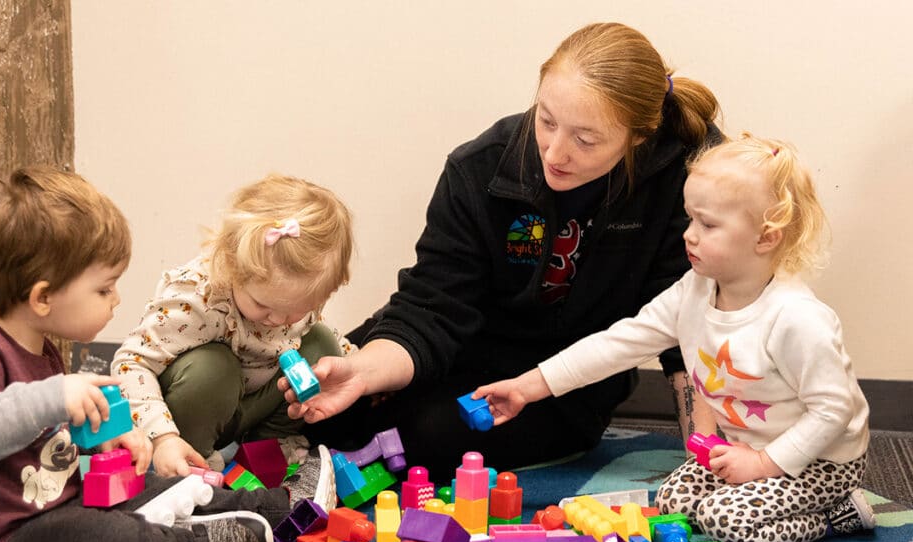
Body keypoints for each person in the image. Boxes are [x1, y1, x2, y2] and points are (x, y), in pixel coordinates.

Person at [284, 22, 722, 479]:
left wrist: (702, 462)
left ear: (637, 137)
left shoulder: (691, 176)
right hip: (470, 341)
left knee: (426, 436)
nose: (554, 152)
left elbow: (688, 330)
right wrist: (364, 371)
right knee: (328, 405)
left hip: (568, 374)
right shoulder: (480, 167)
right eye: (546, 121)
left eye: (585, 140)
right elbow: (432, 307)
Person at [0, 167, 323, 542]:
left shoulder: (42, 350)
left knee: (165, 487)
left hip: (61, 513)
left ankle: (279, 505)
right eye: (104, 288)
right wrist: (52, 398)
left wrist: (109, 437)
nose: (116, 300)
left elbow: (45, 438)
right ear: (43, 297)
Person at [474, 134, 874, 542]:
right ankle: (756, 490)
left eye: (709, 224)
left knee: (726, 521)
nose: (689, 235)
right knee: (675, 502)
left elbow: (832, 410)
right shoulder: (694, 290)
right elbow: (620, 343)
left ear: (766, 237)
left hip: (821, 460)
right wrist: (527, 387)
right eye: (689, 219)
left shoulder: (796, 318)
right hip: (747, 445)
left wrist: (763, 464)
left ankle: (840, 514)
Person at [111, 172, 353, 487]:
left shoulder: (290, 307)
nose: (278, 321)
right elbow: (131, 363)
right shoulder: (199, 299)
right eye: (262, 306)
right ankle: (189, 457)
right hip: (192, 410)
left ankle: (266, 447)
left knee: (321, 345)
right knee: (213, 368)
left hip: (253, 406)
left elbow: (326, 339)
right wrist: (162, 437)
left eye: (295, 310)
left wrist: (358, 367)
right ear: (230, 265)